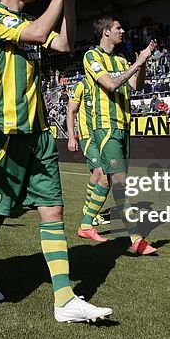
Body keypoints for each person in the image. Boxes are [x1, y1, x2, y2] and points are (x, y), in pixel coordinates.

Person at [0, 0, 112, 324]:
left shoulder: (31, 19)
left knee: (53, 210)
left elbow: (64, 44)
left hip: (40, 134)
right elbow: (34, 35)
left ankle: (63, 299)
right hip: (7, 135)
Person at [81, 17, 159, 255]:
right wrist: (137, 63)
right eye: (118, 28)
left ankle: (85, 225)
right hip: (106, 128)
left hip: (124, 128)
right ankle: (136, 239)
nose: (122, 31)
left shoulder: (121, 59)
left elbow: (137, 85)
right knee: (120, 182)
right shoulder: (91, 57)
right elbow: (110, 85)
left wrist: (141, 63)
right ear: (106, 32)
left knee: (106, 178)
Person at [67, 76, 108, 229]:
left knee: (96, 174)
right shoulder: (80, 86)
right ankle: (88, 209)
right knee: (100, 170)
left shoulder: (103, 84)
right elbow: (71, 111)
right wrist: (71, 137)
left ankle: (92, 210)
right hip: (87, 136)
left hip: (102, 134)